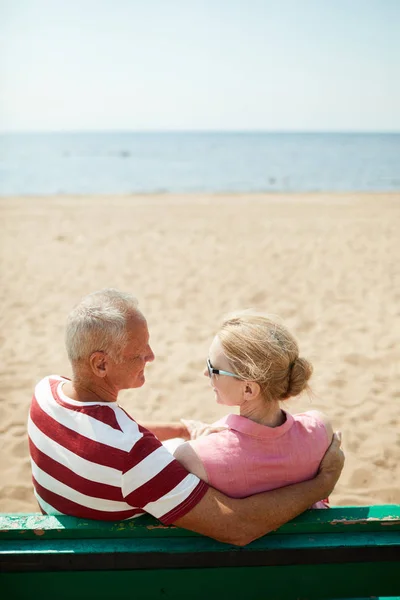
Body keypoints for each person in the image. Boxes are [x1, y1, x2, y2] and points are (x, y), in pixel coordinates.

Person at [28, 289, 344, 547]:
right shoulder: (134, 458)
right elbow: (238, 526)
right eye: (138, 352)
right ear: (100, 365)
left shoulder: (44, 395)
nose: (151, 356)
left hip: (67, 556)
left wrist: (183, 429)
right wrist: (323, 484)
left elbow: (108, 436)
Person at [171, 312, 332, 508]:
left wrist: (199, 444)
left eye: (213, 368)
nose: (205, 373)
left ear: (248, 389)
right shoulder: (320, 429)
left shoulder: (195, 457)